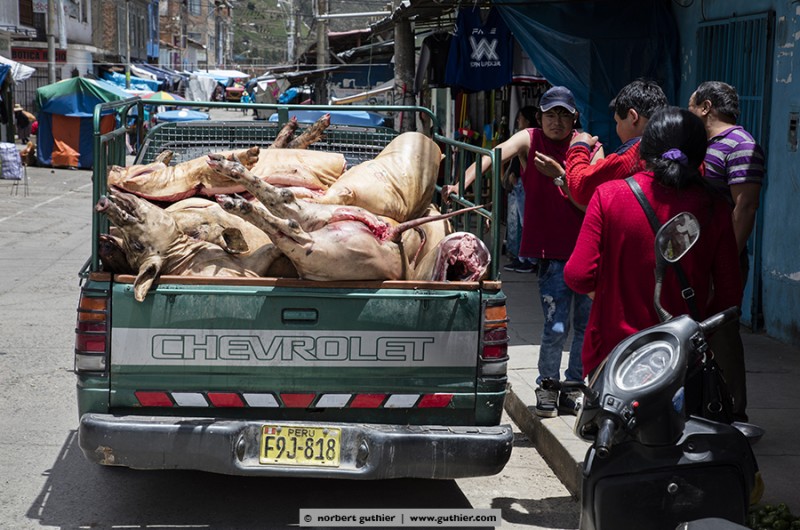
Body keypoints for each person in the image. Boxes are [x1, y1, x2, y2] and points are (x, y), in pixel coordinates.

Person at [442, 86, 599, 417]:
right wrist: (461, 183)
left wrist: (561, 177)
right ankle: (548, 386)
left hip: (587, 251)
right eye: (551, 114)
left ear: (575, 118)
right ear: (540, 117)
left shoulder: (588, 146)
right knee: (556, 326)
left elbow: (592, 198)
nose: (557, 121)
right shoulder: (530, 139)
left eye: (564, 115)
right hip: (552, 254)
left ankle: (574, 386)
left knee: (585, 325)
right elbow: (494, 155)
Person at [564, 107, 743, 380]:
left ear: (644, 149)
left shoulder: (608, 196)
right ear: (700, 153)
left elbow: (578, 275)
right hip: (680, 359)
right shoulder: (715, 207)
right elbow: (729, 295)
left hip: (614, 356)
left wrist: (608, 296)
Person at [688, 80, 765, 422]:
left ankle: (732, 412)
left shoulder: (741, 146)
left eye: (692, 106)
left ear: (706, 107)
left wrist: (723, 266)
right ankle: (700, 407)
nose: (689, 113)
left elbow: (745, 207)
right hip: (694, 259)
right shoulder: (703, 146)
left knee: (722, 334)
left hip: (721, 261)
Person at [565, 78, 669, 208]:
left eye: (618, 122)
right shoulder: (676, 143)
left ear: (633, 116)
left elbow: (580, 187)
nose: (617, 129)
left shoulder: (634, 155)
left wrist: (579, 147)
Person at [502, 106, 538, 273]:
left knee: (527, 222)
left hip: (524, 183)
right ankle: (524, 257)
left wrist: (516, 173)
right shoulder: (525, 136)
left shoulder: (531, 138)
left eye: (520, 118)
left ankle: (530, 260)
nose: (518, 120)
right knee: (523, 223)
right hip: (521, 182)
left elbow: (527, 164)